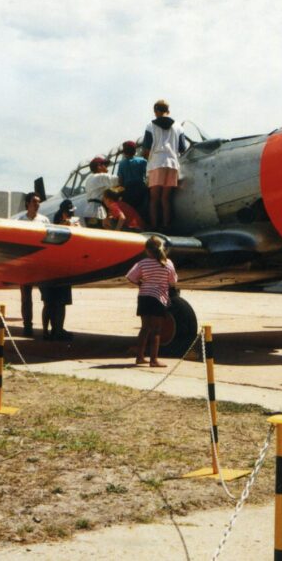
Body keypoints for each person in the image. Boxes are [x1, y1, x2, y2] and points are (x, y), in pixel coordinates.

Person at [126, 237, 177, 367]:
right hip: (158, 298)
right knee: (156, 330)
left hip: (144, 297)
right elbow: (173, 282)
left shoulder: (143, 263)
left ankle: (140, 357)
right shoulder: (167, 263)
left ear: (147, 251)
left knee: (144, 328)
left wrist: (141, 283)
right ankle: (154, 360)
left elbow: (130, 276)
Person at [141, 99, 187, 230]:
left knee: (154, 199)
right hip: (172, 164)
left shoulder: (150, 125)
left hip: (157, 163)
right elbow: (182, 148)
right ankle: (166, 225)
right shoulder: (178, 126)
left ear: (156, 111)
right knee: (166, 199)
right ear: (168, 111)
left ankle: (154, 226)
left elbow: (146, 148)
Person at [41, 202, 76, 340]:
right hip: (51, 270)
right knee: (50, 303)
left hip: (62, 270)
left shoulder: (73, 225)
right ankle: (47, 331)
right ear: (64, 213)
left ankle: (57, 330)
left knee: (59, 303)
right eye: (70, 212)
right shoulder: (52, 228)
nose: (72, 215)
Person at [19, 192, 49, 336]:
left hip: (41, 264)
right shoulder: (20, 221)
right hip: (26, 266)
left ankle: (45, 329)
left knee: (47, 298)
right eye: (34, 202)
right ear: (27, 204)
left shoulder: (44, 220)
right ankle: (27, 326)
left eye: (38, 202)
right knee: (26, 298)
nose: (37, 205)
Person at [81, 156, 118, 228]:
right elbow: (117, 180)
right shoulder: (100, 176)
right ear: (99, 167)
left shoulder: (89, 179)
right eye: (105, 165)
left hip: (88, 211)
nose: (107, 168)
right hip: (97, 211)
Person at [115, 140, 148, 219]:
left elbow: (120, 181)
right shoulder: (143, 161)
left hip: (128, 191)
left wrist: (119, 194)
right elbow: (148, 175)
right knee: (142, 209)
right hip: (141, 188)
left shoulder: (122, 164)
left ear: (124, 152)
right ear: (135, 150)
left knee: (131, 211)